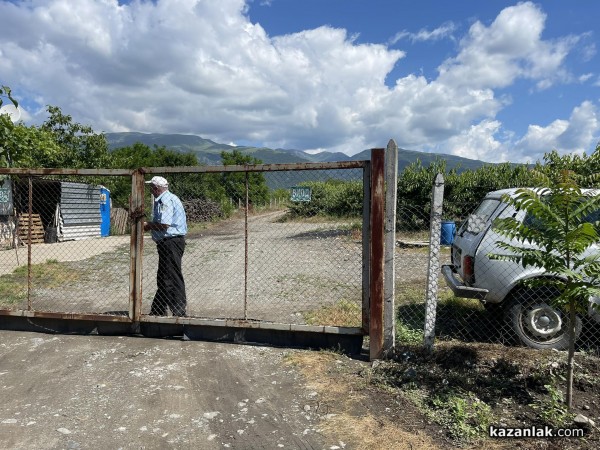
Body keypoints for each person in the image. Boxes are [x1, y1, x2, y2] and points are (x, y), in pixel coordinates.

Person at [143, 176, 188, 316]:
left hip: (170, 242)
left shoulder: (165, 200)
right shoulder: (169, 198)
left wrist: (148, 225)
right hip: (170, 242)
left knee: (170, 277)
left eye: (152, 187)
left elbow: (164, 224)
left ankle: (179, 313)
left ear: (156, 188)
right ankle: (158, 310)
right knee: (164, 277)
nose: (150, 190)